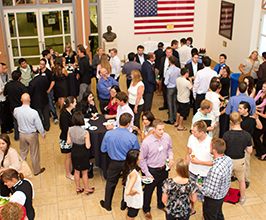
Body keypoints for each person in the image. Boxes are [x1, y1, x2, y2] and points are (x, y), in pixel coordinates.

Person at [100, 113, 140, 211]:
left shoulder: (108, 134)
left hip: (113, 162)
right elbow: (136, 153)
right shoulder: (132, 137)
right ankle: (124, 204)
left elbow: (103, 149)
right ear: (128, 124)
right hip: (127, 163)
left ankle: (107, 204)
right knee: (127, 183)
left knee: (110, 183)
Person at [139, 119, 175, 220]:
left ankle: (161, 204)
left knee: (162, 188)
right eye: (159, 130)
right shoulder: (146, 142)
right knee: (148, 191)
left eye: (163, 129)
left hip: (164, 169)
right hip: (152, 170)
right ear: (153, 129)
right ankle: (146, 209)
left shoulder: (167, 137)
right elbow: (141, 160)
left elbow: (169, 149)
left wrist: (171, 157)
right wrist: (147, 173)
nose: (162, 132)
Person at [199, 138, 234, 220]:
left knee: (210, 216)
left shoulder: (216, 170)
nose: (209, 148)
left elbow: (210, 192)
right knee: (218, 214)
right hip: (222, 194)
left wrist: (199, 187)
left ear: (214, 151)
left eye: (210, 146)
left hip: (213, 200)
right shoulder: (228, 160)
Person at [222, 112, 253, 205]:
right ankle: (242, 198)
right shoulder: (246, 135)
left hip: (228, 161)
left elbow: (223, 149)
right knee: (242, 181)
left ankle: (223, 195)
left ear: (231, 121)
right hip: (240, 161)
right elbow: (250, 150)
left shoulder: (226, 134)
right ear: (241, 120)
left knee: (225, 180)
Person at [13, 93, 45, 176]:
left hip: (22, 134)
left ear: (21, 100)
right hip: (31, 134)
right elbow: (39, 124)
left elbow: (15, 117)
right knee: (34, 153)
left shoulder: (16, 110)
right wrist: (42, 133)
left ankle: (22, 170)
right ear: (29, 100)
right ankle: (36, 170)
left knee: (23, 152)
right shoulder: (33, 112)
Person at [186, 120, 213, 216]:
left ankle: (203, 214)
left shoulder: (211, 143)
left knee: (204, 197)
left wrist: (200, 162)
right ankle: (191, 209)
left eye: (195, 131)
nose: (192, 132)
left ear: (202, 132)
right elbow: (189, 153)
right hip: (192, 172)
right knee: (190, 192)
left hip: (204, 175)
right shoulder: (192, 138)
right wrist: (186, 167)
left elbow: (214, 163)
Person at [67, 111, 94, 195]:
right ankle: (87, 189)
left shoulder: (70, 129)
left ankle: (78, 187)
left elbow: (69, 142)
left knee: (76, 171)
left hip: (74, 151)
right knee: (84, 172)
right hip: (83, 153)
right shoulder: (85, 133)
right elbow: (88, 146)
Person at [238, 101, 262, 188]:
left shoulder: (251, 119)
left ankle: (246, 180)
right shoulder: (238, 118)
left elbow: (260, 127)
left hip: (246, 144)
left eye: (240, 108)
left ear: (246, 109)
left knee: (246, 163)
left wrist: (257, 119)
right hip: (237, 143)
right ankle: (235, 175)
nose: (238, 110)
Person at [4, 70, 27, 141]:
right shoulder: (21, 86)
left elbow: (5, 94)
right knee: (23, 122)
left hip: (12, 107)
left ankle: (16, 137)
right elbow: (25, 96)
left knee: (16, 122)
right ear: (19, 77)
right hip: (21, 106)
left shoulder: (8, 85)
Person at [122, 149, 143, 220]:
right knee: (131, 215)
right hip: (134, 199)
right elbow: (127, 192)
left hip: (130, 199)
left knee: (129, 211)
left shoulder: (129, 168)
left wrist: (142, 178)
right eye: (139, 155)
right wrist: (133, 192)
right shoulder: (134, 174)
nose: (141, 156)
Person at [59, 96, 76, 180]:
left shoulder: (71, 112)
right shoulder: (64, 115)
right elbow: (65, 129)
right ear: (71, 104)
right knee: (68, 157)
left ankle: (71, 170)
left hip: (70, 137)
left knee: (71, 155)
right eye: (75, 102)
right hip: (66, 139)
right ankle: (68, 173)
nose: (76, 104)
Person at [29, 66, 50, 131]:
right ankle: (47, 126)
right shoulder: (45, 78)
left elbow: (30, 92)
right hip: (44, 98)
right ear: (39, 71)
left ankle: (40, 128)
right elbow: (47, 86)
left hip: (36, 101)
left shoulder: (32, 82)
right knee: (46, 114)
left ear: (32, 72)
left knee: (38, 116)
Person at [39, 58, 58, 125]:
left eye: (42, 64)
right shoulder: (39, 72)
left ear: (45, 64)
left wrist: (49, 90)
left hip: (48, 91)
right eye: (40, 64)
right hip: (41, 92)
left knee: (51, 104)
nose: (40, 65)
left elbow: (53, 82)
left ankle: (55, 117)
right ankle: (48, 116)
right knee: (44, 104)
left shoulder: (48, 72)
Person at [164, 56, 181, 125]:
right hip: (176, 88)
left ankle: (170, 119)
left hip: (170, 88)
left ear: (169, 61)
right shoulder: (178, 69)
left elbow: (165, 82)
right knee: (175, 103)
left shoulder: (168, 71)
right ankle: (175, 117)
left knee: (170, 104)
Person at [0, 63, 13, 134]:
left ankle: (10, 125)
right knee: (3, 115)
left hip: (7, 97)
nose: (5, 70)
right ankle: (5, 129)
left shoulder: (7, 75)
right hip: (1, 98)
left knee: (8, 112)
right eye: (3, 68)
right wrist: (3, 89)